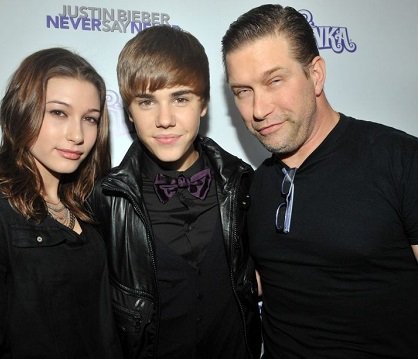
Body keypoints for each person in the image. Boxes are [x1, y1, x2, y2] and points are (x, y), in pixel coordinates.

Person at [221, 4, 418, 358]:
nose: (258, 108)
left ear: (316, 74)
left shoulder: (400, 159)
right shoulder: (250, 187)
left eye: (274, 80)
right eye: (242, 91)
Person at [88, 25, 261, 359]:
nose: (164, 119)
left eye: (180, 98)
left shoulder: (243, 185)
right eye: (147, 101)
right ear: (129, 112)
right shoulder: (107, 201)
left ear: (204, 104)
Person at [0, 47, 121, 358]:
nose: (76, 134)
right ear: (23, 110)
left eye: (90, 119)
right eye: (58, 113)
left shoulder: (89, 208)